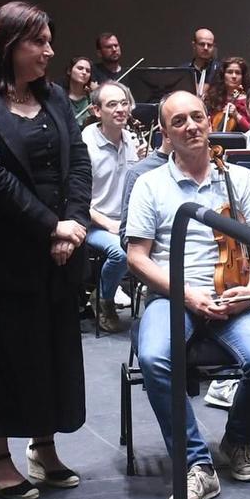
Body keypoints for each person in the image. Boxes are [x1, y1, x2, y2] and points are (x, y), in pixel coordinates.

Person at [0, 2, 91, 499]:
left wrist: (72, 227)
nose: (50, 52)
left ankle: (44, 448)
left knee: (49, 353)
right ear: (8, 44)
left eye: (51, 41)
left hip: (56, 251)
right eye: (40, 42)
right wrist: (53, 226)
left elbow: (79, 164)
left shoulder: (53, 97)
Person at [125, 90, 250, 499]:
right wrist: (186, 293)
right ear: (165, 135)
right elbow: (137, 257)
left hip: (233, 295)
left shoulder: (238, 177)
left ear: (210, 122)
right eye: (179, 122)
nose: (191, 126)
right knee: (154, 358)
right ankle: (197, 465)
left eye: (197, 117)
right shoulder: (149, 184)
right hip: (174, 295)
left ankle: (238, 440)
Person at [82, 80, 141, 330]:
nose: (120, 109)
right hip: (92, 222)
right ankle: (103, 298)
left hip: (123, 221)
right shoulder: (85, 144)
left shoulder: (130, 140)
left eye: (124, 103)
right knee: (121, 252)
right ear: (97, 111)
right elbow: (75, 198)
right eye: (112, 104)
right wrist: (108, 223)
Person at [206, 54, 250, 131]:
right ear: (223, 75)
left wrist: (237, 115)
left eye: (238, 73)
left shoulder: (248, 101)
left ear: (242, 77)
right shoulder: (214, 98)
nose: (234, 76)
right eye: (230, 72)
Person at [183, 26, 219, 95]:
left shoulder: (221, 70)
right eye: (202, 44)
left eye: (209, 45)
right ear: (194, 45)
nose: (206, 48)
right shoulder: (183, 70)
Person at [61, 56, 95, 126]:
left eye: (88, 71)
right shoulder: (60, 97)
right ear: (69, 71)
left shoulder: (93, 99)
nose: (84, 72)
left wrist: (95, 117)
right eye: (80, 68)